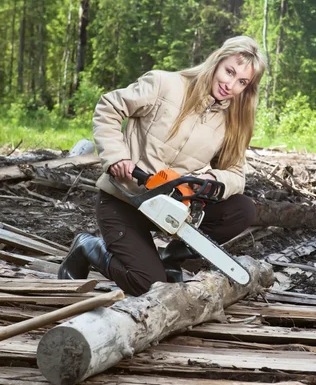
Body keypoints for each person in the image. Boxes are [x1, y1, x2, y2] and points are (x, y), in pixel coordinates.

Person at [58, 36, 266, 296]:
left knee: (241, 209)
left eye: (242, 82)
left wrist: (210, 180)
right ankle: (88, 247)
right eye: (229, 72)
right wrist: (116, 156)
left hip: (173, 208)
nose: (230, 85)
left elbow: (236, 174)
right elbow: (109, 107)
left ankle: (171, 260)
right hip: (125, 199)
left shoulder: (232, 121)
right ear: (217, 61)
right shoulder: (165, 84)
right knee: (148, 286)